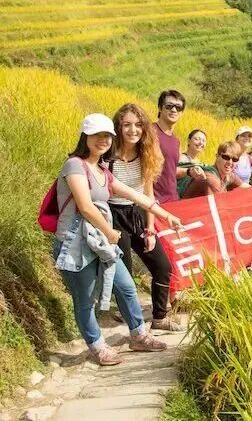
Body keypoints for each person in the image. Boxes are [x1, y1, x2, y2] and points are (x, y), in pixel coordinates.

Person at [54, 113, 183, 366]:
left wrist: (166, 216)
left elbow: (138, 197)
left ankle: (138, 335)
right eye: (97, 135)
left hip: (98, 241)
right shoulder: (74, 165)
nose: (103, 140)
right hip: (75, 243)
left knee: (126, 286)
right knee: (85, 300)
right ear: (85, 136)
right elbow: (86, 207)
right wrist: (111, 232)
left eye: (107, 136)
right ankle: (97, 346)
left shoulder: (102, 169)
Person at [108, 104, 184, 332]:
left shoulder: (145, 154)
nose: (133, 130)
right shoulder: (108, 155)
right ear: (118, 127)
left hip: (138, 212)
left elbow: (148, 193)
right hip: (113, 215)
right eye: (127, 125)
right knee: (125, 274)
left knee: (162, 266)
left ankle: (160, 317)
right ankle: (133, 324)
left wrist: (150, 229)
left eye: (138, 125)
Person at [153, 90, 205, 203]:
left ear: (181, 112)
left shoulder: (176, 141)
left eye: (178, 107)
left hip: (173, 199)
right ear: (160, 108)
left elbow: (171, 171)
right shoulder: (150, 132)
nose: (173, 110)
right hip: (154, 201)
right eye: (169, 106)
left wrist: (189, 171)